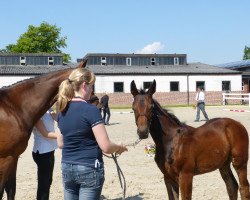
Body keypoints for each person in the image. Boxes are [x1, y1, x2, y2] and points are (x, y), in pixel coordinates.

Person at [57, 68, 128, 200]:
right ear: (84, 85)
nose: (92, 90)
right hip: (89, 167)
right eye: (91, 86)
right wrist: (119, 147)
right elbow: (106, 146)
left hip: (67, 166)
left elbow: (60, 143)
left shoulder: (62, 110)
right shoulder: (91, 110)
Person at [32, 108, 59, 200]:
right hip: (42, 151)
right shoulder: (36, 113)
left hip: (50, 150)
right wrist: (65, 135)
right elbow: (45, 133)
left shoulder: (48, 109)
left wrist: (59, 103)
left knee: (48, 181)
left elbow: (59, 119)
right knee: (44, 183)